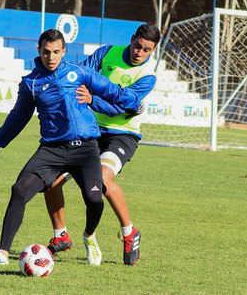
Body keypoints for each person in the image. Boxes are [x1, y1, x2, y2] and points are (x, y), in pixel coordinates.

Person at [0, 29, 142, 266]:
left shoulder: (79, 73)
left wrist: (136, 104)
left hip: (85, 149)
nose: (50, 57)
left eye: (55, 52)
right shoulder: (31, 83)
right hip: (52, 150)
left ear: (64, 51)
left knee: (94, 199)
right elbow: (17, 118)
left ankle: (89, 236)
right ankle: (2, 254)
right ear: (39, 51)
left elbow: (110, 90)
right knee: (20, 190)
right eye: (46, 52)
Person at [44, 23, 161, 266]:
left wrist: (92, 99)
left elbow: (124, 108)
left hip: (122, 134)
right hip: (89, 130)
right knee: (51, 181)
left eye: (146, 50)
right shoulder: (107, 52)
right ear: (132, 39)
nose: (139, 52)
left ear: (153, 51)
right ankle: (61, 235)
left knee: (103, 181)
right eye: (138, 46)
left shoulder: (147, 76)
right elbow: (78, 73)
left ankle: (129, 232)